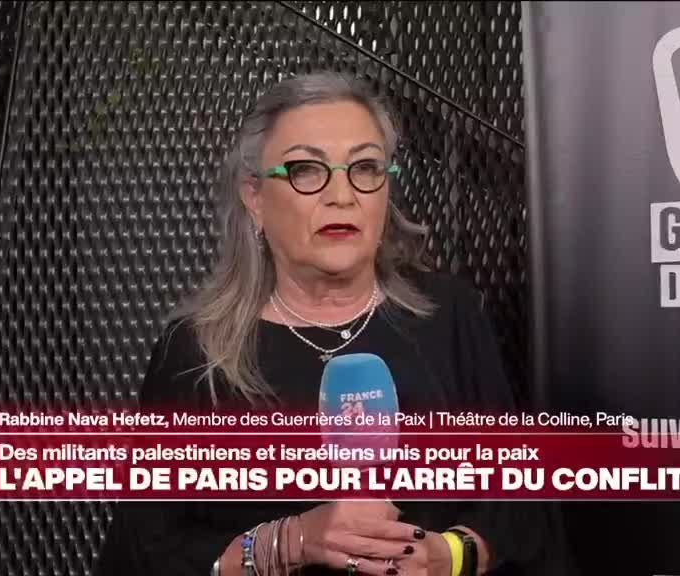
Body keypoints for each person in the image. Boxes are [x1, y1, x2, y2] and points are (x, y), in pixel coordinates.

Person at [94, 72, 565, 575]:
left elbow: (520, 510)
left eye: (365, 167)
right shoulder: (195, 352)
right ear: (254, 196)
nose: (342, 195)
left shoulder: (449, 314)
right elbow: (146, 553)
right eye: (306, 170)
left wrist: (446, 556)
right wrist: (290, 541)